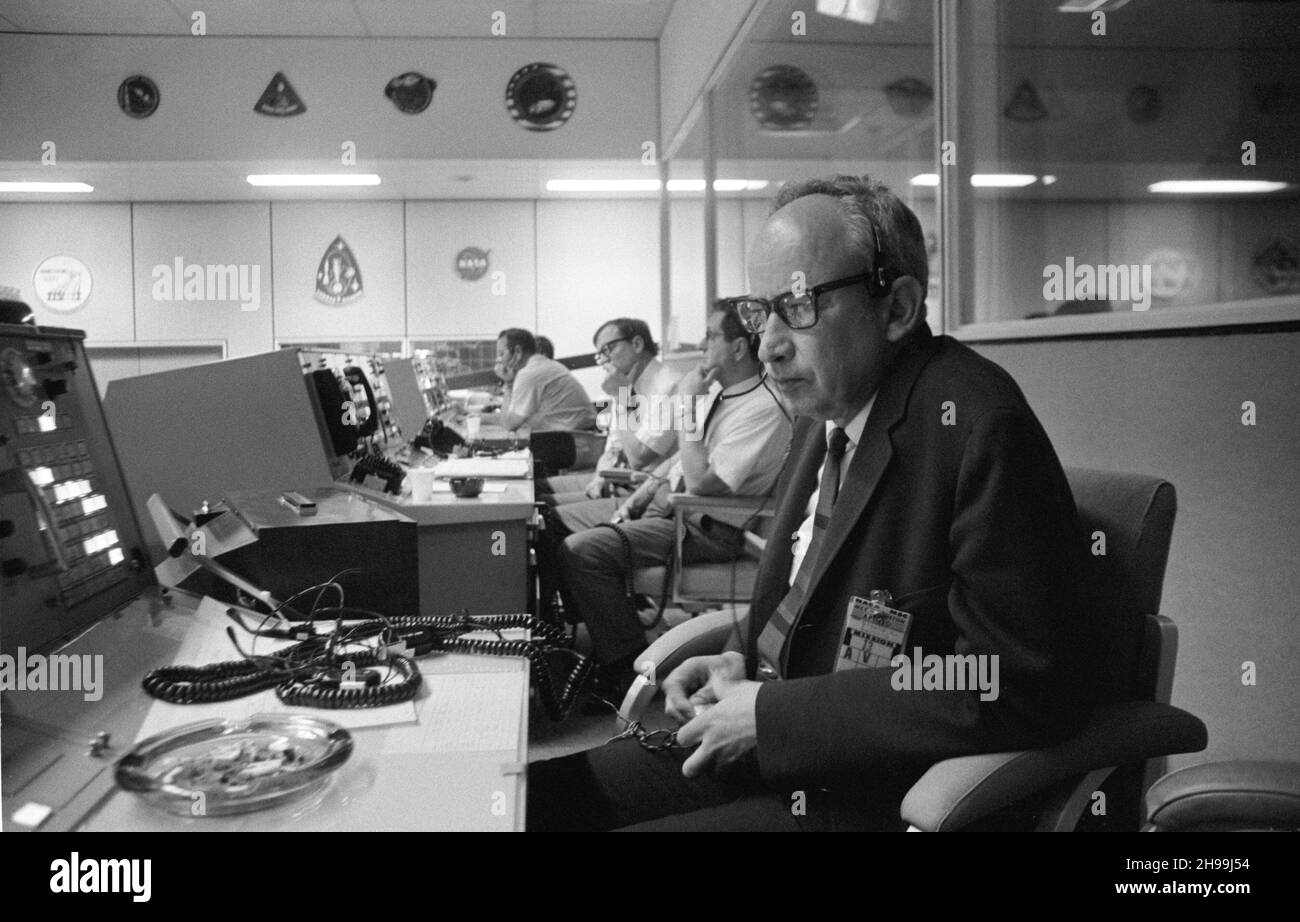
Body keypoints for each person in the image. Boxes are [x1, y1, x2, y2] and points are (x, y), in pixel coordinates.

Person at [527, 175, 1103, 831]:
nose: (768, 343)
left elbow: (1015, 682)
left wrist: (775, 716)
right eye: (759, 311)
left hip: (860, 792)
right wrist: (741, 656)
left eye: (798, 305)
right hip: (770, 748)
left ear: (897, 309)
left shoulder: (976, 425)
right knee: (532, 801)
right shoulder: (823, 415)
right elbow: (806, 597)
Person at [547, 303, 792, 700]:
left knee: (578, 551)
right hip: (667, 503)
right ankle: (591, 641)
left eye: (712, 335)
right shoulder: (723, 394)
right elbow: (672, 461)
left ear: (739, 348)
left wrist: (685, 408)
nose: (701, 343)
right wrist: (641, 496)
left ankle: (625, 667)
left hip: (706, 526)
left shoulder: (760, 406)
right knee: (550, 521)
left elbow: (690, 477)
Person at [540, 318, 679, 505]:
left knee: (545, 509)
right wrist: (598, 477)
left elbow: (639, 458)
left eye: (608, 350)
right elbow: (614, 446)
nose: (603, 361)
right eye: (600, 354)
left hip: (644, 492)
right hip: (616, 479)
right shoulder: (625, 384)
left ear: (637, 344)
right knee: (538, 491)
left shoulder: (670, 386)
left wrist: (622, 397)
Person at [480, 328, 596, 432]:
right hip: (581, 434)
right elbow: (521, 418)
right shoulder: (546, 364)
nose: (498, 360)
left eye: (501, 354)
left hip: (572, 440)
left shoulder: (528, 374)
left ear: (518, 352)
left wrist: (509, 384)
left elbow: (509, 424)